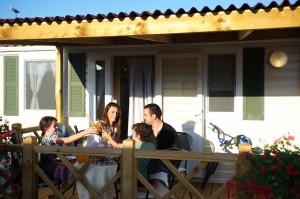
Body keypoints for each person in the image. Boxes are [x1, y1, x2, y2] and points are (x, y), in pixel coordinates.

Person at [143, 103, 181, 188]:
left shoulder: (169, 131)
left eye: (145, 115)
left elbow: (176, 152)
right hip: (148, 163)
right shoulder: (146, 129)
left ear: (153, 116)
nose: (143, 117)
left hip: (165, 166)